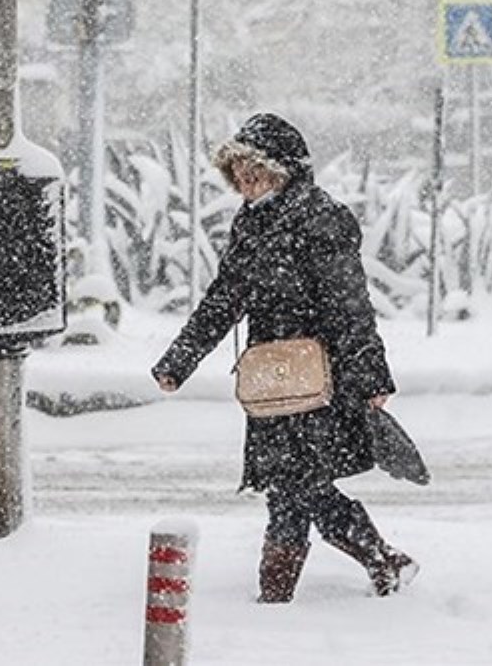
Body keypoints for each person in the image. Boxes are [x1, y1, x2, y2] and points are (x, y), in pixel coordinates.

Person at [151, 113, 417, 603]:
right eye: (239, 173)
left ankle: (279, 596)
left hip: (320, 377)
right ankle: (379, 561)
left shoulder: (320, 218)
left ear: (284, 169)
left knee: (296, 486)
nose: (246, 183)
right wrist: (178, 361)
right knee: (293, 484)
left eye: (256, 171)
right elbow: (224, 298)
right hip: (272, 379)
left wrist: (370, 375)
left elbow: (350, 304)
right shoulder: (250, 224)